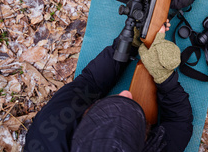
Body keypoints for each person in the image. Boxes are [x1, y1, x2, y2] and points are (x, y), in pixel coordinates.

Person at [24, 21, 193, 152]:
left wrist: (126, 46)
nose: (126, 93)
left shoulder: (46, 132)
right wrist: (164, 77)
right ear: (143, 142)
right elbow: (180, 123)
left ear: (84, 116)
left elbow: (91, 81)